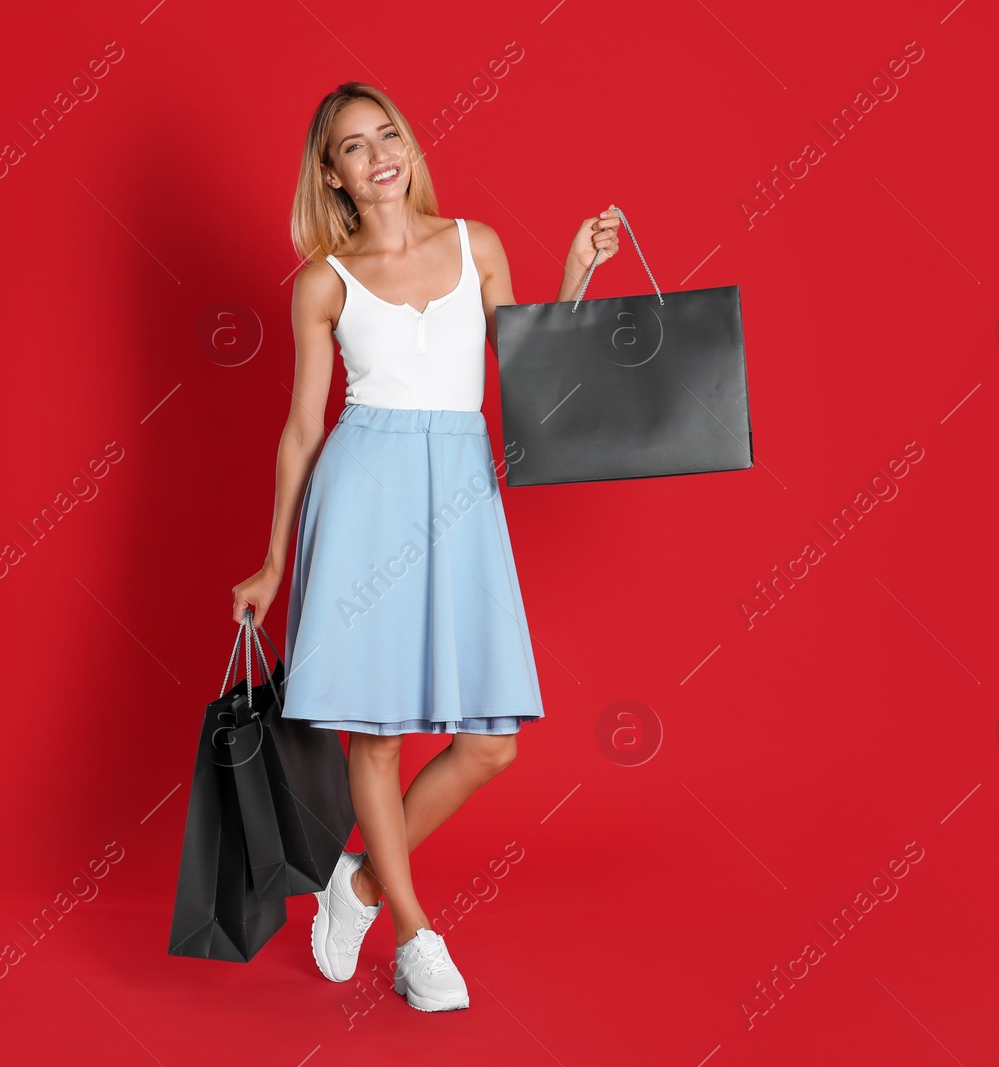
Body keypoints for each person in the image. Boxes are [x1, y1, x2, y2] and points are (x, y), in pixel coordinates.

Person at [231, 81, 619, 1012]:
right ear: (334, 174)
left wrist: (575, 275)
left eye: (388, 134)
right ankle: (415, 934)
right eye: (355, 147)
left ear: (408, 145)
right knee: (381, 736)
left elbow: (526, 377)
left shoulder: (475, 243)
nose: (380, 155)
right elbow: (300, 429)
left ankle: (358, 884)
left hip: (460, 492)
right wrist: (276, 558)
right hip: (364, 495)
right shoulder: (325, 280)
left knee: (490, 744)